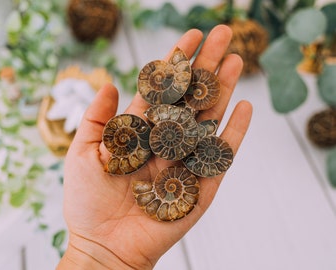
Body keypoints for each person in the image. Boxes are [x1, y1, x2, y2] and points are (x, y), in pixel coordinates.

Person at [57, 24, 253, 269]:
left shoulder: (180, 132)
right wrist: (93, 249)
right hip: (170, 149)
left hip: (177, 147)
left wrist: (89, 251)